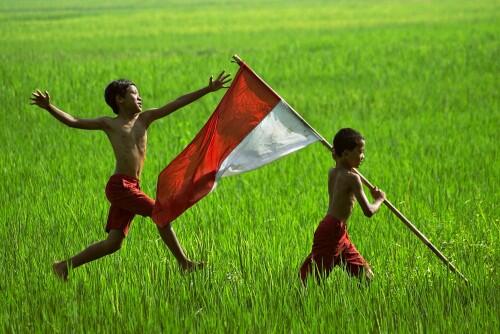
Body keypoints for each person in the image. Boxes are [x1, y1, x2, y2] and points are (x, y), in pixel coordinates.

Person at [30, 72, 231, 280]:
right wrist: (49, 107)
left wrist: (208, 89)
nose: (140, 97)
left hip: (133, 186)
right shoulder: (110, 124)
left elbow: (177, 103)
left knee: (113, 244)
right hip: (120, 186)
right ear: (120, 99)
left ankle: (63, 266)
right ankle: (184, 263)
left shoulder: (145, 119)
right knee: (160, 213)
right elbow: (74, 121)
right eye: (134, 93)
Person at [299, 128, 386, 284]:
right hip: (332, 230)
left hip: (337, 230)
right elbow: (368, 211)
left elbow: (339, 163)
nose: (363, 156)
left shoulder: (333, 172)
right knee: (313, 281)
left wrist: (339, 157)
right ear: (345, 153)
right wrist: (380, 199)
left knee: (366, 276)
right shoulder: (353, 178)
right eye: (360, 152)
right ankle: (298, 302)